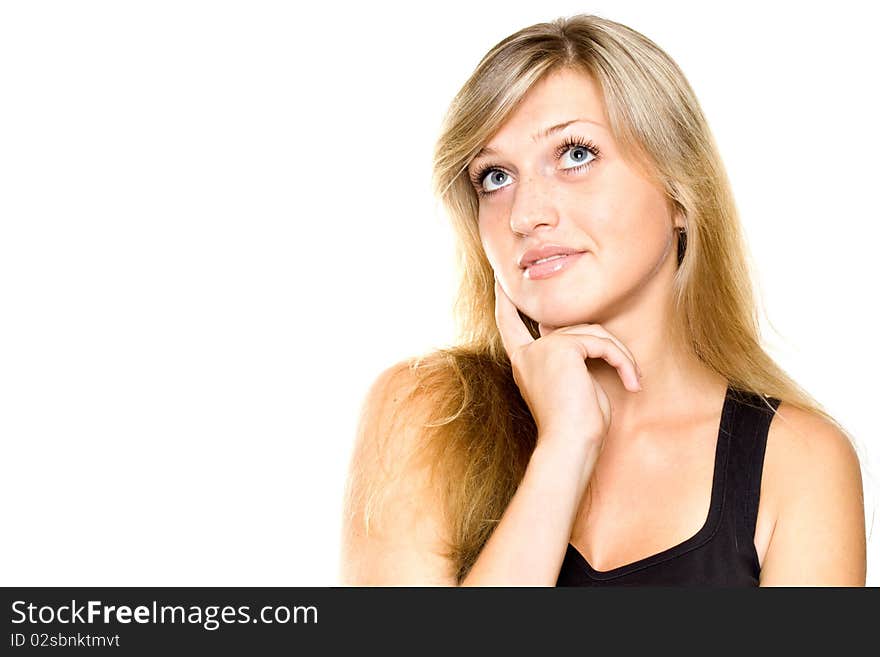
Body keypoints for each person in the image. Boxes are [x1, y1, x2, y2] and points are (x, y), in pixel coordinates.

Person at [339, 14, 867, 586]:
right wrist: (565, 447)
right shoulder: (429, 414)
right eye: (494, 177)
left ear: (680, 194)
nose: (525, 214)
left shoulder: (799, 463)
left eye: (575, 154)